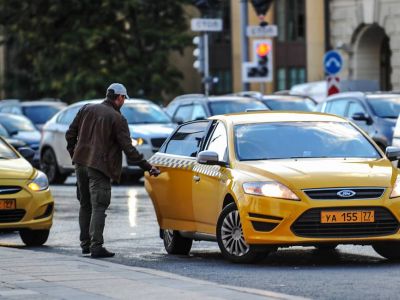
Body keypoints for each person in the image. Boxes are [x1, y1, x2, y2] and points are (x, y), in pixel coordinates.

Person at [65, 83, 160, 258]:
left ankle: (85, 244)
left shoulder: (86, 109)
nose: (123, 101)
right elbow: (129, 149)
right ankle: (96, 246)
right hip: (99, 167)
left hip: (80, 163)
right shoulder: (117, 118)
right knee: (99, 206)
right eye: (123, 98)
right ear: (119, 97)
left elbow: (70, 134)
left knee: (85, 204)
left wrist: (75, 154)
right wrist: (148, 167)